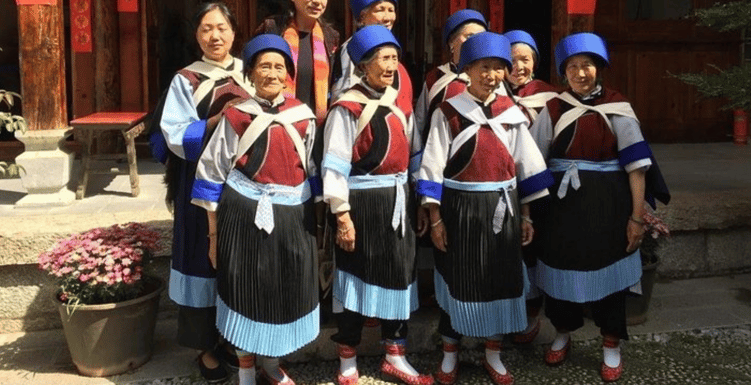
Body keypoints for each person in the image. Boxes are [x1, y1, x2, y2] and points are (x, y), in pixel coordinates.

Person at [530, 33, 669, 382]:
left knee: (609, 276)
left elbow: (637, 167)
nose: (580, 73)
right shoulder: (552, 109)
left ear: (600, 69)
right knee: (560, 271)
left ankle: (610, 344)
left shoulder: (617, 107)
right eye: (573, 67)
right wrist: (529, 211)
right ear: (564, 73)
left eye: (587, 65)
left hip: (609, 208)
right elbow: (532, 160)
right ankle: (562, 333)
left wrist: (637, 217)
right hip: (561, 210)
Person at [417, 32, 552, 385]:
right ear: (467, 71)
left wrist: (525, 215)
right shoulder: (448, 113)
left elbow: (527, 168)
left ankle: (493, 352)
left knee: (500, 280)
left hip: (503, 210)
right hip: (460, 210)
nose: (490, 75)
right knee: (457, 279)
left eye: (497, 68)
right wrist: (436, 220)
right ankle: (450, 354)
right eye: (483, 67)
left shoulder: (513, 115)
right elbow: (432, 167)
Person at [191, 34, 320, 385]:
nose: (273, 73)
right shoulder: (236, 116)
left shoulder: (304, 117)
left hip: (291, 217)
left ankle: (272, 363)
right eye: (264, 65)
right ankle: (246, 367)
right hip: (243, 217)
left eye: (280, 66)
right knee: (246, 289)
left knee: (282, 289)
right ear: (250, 73)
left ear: (289, 75)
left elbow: (312, 170)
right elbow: (210, 174)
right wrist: (214, 235)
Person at [322, 25, 431, 385]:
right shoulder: (347, 107)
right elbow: (334, 164)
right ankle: (348, 358)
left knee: (399, 274)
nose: (391, 65)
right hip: (362, 203)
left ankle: (395, 355)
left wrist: (420, 201)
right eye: (383, 58)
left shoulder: (400, 105)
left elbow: (414, 155)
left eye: (395, 58)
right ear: (364, 65)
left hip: (399, 200)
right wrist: (342, 215)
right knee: (355, 276)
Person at [151, 2, 254, 384]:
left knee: (236, 258)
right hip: (197, 181)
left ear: (234, 32)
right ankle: (203, 347)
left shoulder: (251, 71)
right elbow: (175, 135)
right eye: (207, 29)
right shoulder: (186, 80)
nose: (215, 36)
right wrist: (219, 121)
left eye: (222, 28)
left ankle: (233, 338)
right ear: (197, 35)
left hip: (243, 182)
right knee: (200, 256)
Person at [503, 29, 559, 345]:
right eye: (511, 59)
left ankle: (532, 310)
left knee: (532, 250)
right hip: (499, 190)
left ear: (535, 62)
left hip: (537, 189)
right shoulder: (491, 94)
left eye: (525, 59)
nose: (518, 66)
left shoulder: (550, 97)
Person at [255, 0, 340, 124]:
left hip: (317, 127)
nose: (318, 0)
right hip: (276, 122)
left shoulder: (330, 37)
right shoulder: (273, 29)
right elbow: (253, 71)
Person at [330, 0, 414, 114]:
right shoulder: (352, 48)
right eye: (380, 10)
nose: (388, 18)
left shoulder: (390, 46)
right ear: (362, 17)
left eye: (391, 10)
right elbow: (344, 97)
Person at [414, 9, 488, 140]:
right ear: (451, 42)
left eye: (481, 37)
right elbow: (419, 123)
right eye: (469, 37)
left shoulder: (493, 78)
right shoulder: (436, 78)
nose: (476, 43)